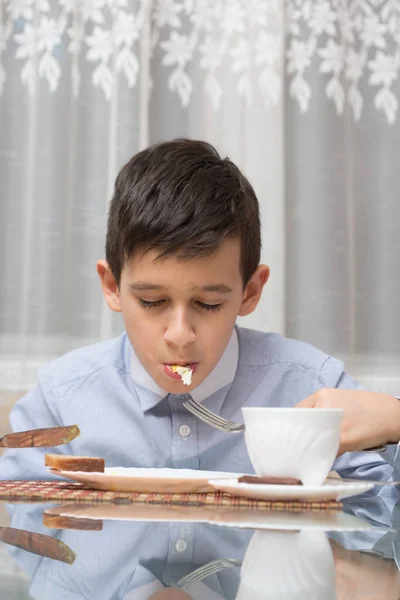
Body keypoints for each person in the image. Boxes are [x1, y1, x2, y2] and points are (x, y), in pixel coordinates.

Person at [0, 139, 399, 483]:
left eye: (208, 304)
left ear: (250, 291)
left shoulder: (314, 388)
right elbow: (22, 527)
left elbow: (382, 514)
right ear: (112, 287)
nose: (179, 334)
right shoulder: (61, 399)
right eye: (152, 301)